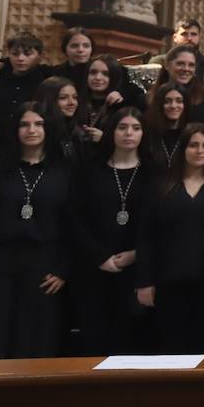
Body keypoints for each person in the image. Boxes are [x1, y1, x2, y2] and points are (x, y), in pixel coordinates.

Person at [0, 105, 72, 358]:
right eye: (24, 124)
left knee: (35, 338)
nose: (32, 130)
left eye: (38, 124)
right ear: (15, 130)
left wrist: (64, 269)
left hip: (43, 266)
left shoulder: (63, 173)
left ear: (47, 129)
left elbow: (72, 225)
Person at [135, 123, 204, 354]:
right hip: (168, 281)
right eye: (193, 145)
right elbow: (146, 237)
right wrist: (145, 282)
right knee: (170, 345)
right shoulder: (160, 186)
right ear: (183, 148)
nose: (199, 150)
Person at [70, 106, 154, 355]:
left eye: (136, 128)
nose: (129, 133)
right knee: (93, 340)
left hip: (137, 270)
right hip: (93, 268)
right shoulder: (90, 169)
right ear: (112, 132)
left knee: (132, 340)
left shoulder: (154, 172)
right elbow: (74, 217)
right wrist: (99, 256)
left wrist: (136, 254)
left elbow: (159, 224)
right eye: (122, 127)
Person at [0, 32, 53, 166]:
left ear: (39, 56)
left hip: (27, 154)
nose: (20, 58)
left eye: (27, 54)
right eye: (15, 54)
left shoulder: (45, 82)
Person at [33, 76, 93, 166]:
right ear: (48, 100)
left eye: (75, 97)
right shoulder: (38, 132)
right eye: (63, 98)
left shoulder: (78, 132)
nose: (72, 102)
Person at [143, 82, 192, 171]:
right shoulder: (147, 134)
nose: (173, 106)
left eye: (179, 101)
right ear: (159, 104)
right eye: (167, 101)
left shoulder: (191, 134)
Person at [154, 44, 204, 109]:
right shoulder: (150, 99)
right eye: (180, 64)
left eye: (191, 65)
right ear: (167, 65)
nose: (186, 69)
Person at [53, 28, 95, 96]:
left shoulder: (100, 72)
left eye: (86, 46)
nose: (81, 50)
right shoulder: (56, 73)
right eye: (74, 46)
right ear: (65, 49)